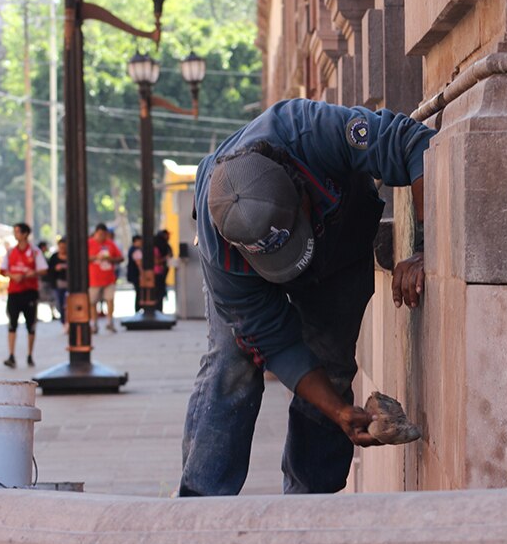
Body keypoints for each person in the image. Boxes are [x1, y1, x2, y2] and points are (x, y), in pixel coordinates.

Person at [178, 98, 435, 497]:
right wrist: (337, 410)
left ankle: (309, 505)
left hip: (339, 242)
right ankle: (201, 507)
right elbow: (273, 339)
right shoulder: (220, 253)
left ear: (299, 196)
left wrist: (424, 247)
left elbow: (415, 144)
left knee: (330, 363)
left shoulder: (313, 132)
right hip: (245, 274)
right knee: (232, 364)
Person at [0, 222, 48, 368]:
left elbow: (44, 269)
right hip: (14, 292)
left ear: (25, 234)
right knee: (12, 324)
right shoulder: (10, 252)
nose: (16, 235)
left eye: (18, 232)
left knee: (30, 325)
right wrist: (12, 276)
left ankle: (29, 355)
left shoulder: (34, 252)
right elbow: (2, 269)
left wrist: (32, 273)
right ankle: (11, 355)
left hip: (29, 292)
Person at [87, 223, 123, 333]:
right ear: (96, 233)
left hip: (109, 278)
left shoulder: (110, 244)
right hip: (94, 279)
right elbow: (83, 257)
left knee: (110, 300)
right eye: (99, 234)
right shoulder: (89, 243)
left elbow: (120, 258)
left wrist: (110, 259)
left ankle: (109, 322)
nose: (101, 236)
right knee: (92, 302)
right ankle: (94, 324)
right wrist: (96, 257)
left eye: (104, 234)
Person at [47, 237, 69, 329]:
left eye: (64, 247)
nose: (62, 249)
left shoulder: (71, 257)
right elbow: (49, 269)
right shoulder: (54, 257)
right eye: (61, 247)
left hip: (69, 284)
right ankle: (63, 321)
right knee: (60, 303)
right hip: (58, 283)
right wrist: (56, 268)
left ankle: (68, 321)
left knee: (68, 303)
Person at [153, 229, 171, 312]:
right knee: (158, 294)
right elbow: (156, 261)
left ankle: (159, 311)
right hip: (157, 273)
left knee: (159, 294)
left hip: (159, 273)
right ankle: (158, 311)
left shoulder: (163, 246)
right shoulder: (157, 248)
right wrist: (165, 258)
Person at [126, 234, 143, 312]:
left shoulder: (131, 249)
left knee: (138, 292)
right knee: (139, 293)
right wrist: (142, 274)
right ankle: (138, 309)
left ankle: (138, 309)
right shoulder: (136, 250)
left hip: (133, 274)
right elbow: (139, 263)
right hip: (136, 275)